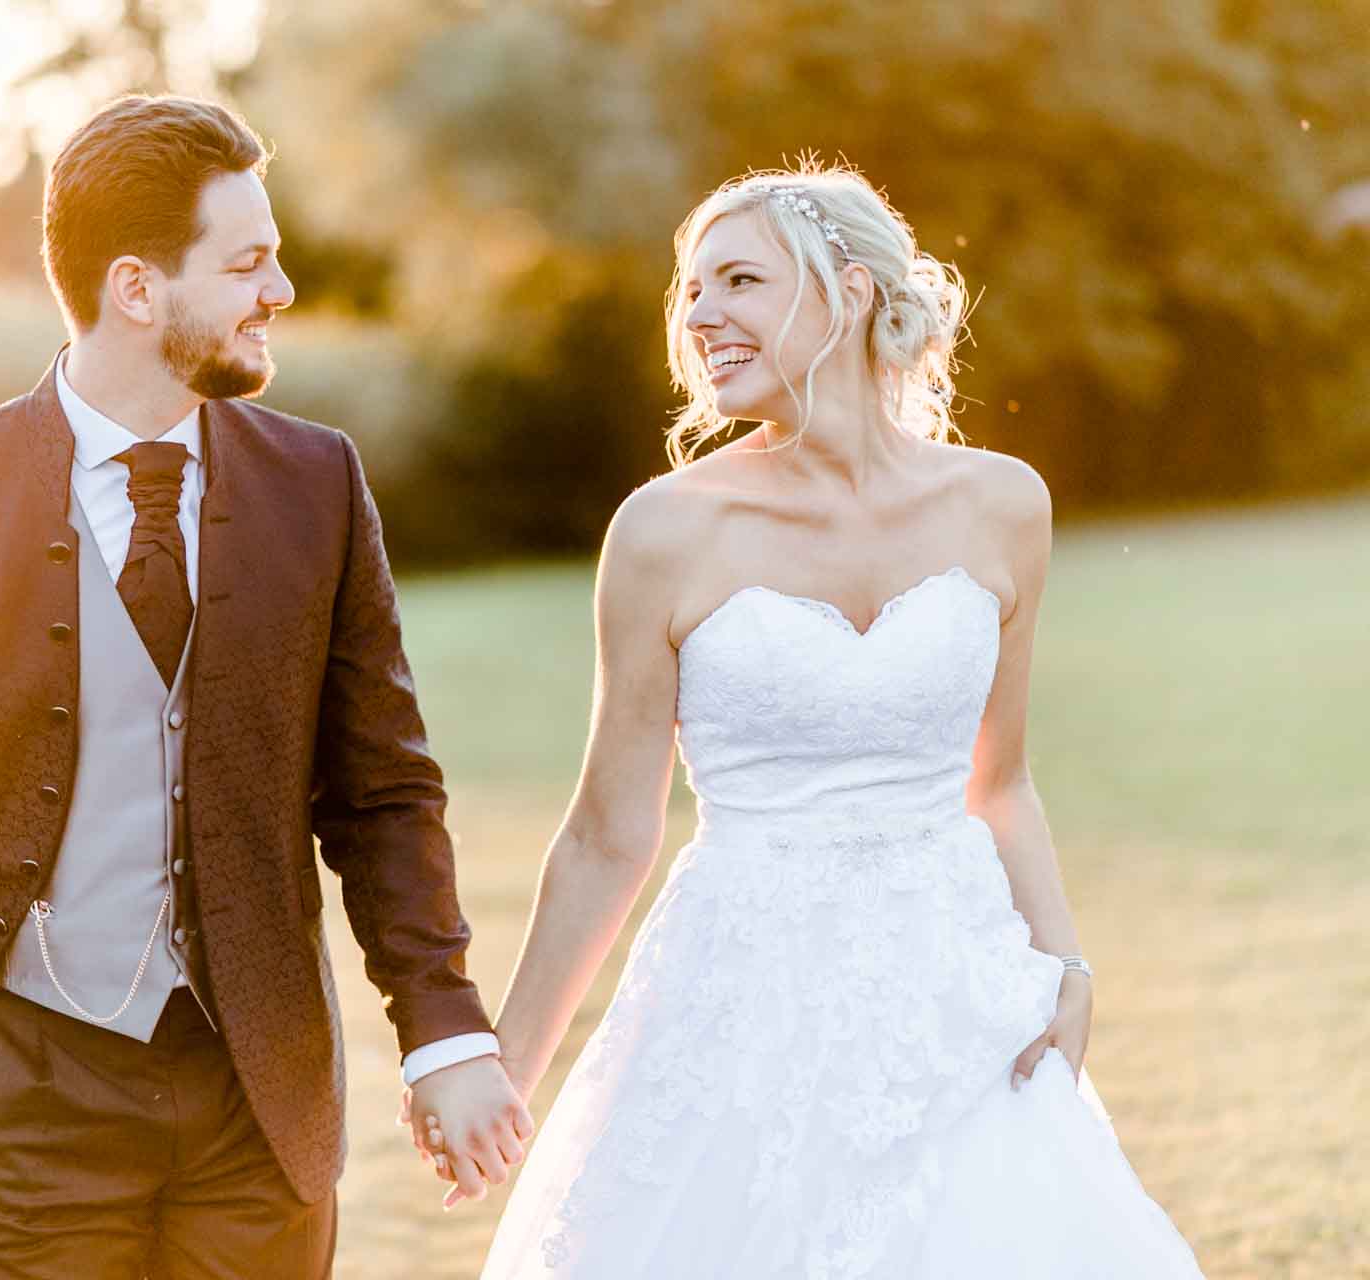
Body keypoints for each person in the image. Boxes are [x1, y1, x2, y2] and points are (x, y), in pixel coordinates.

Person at [0, 93, 529, 1278]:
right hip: (21, 1101)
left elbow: (382, 795)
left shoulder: (317, 484)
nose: (278, 290)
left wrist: (442, 1030)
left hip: (258, 1099)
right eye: (249, 263)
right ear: (137, 287)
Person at [427, 166, 1205, 1276]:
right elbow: (609, 833)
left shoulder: (1004, 504)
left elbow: (1001, 783)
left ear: (847, 290)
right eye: (689, 293)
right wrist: (504, 1070)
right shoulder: (663, 531)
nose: (699, 316)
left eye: (737, 280)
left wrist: (1067, 966)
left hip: (956, 997)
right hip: (739, 1002)